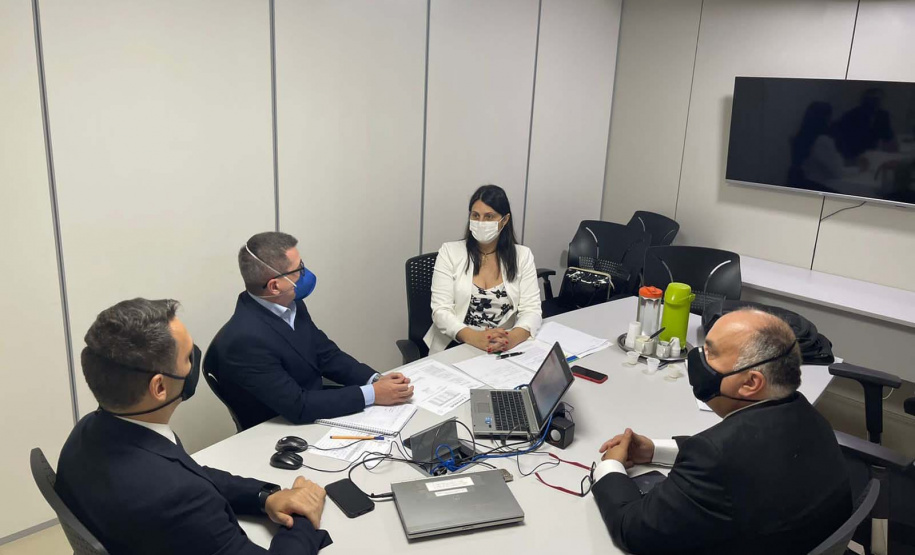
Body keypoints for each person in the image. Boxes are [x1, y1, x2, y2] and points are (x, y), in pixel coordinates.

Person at [56, 298, 332, 554]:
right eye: (189, 357)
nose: (194, 364)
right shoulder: (177, 496)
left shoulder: (88, 433)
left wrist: (264, 496)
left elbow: (191, 471)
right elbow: (185, 489)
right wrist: (304, 515)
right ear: (160, 386)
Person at [592, 309, 851, 555]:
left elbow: (634, 531)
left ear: (751, 382)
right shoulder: (804, 412)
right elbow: (741, 454)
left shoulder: (716, 458)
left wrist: (610, 467)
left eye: (711, 353)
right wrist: (655, 450)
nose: (698, 360)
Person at [207, 232, 413, 430]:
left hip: (313, 404)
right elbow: (298, 405)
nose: (305, 274)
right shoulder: (244, 340)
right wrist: (373, 394)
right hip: (280, 427)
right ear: (275, 286)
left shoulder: (291, 305)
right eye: (299, 269)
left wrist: (375, 380)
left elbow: (326, 354)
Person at [425, 184, 542, 355]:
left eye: (489, 217)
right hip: (457, 344)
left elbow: (531, 310)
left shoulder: (522, 256)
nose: (481, 222)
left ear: (505, 220)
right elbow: (441, 311)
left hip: (502, 346)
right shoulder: (449, 252)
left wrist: (511, 339)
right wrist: (476, 338)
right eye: (475, 215)